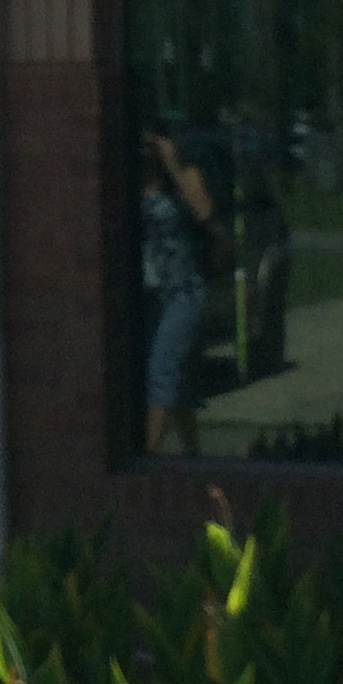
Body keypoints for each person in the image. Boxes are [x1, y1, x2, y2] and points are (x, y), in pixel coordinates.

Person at [139, 128, 220, 455]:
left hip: (185, 291)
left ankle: (148, 459)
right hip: (152, 296)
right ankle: (193, 460)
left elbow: (203, 211)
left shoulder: (181, 179)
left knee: (162, 371)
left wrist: (171, 160)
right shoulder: (135, 184)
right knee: (179, 384)